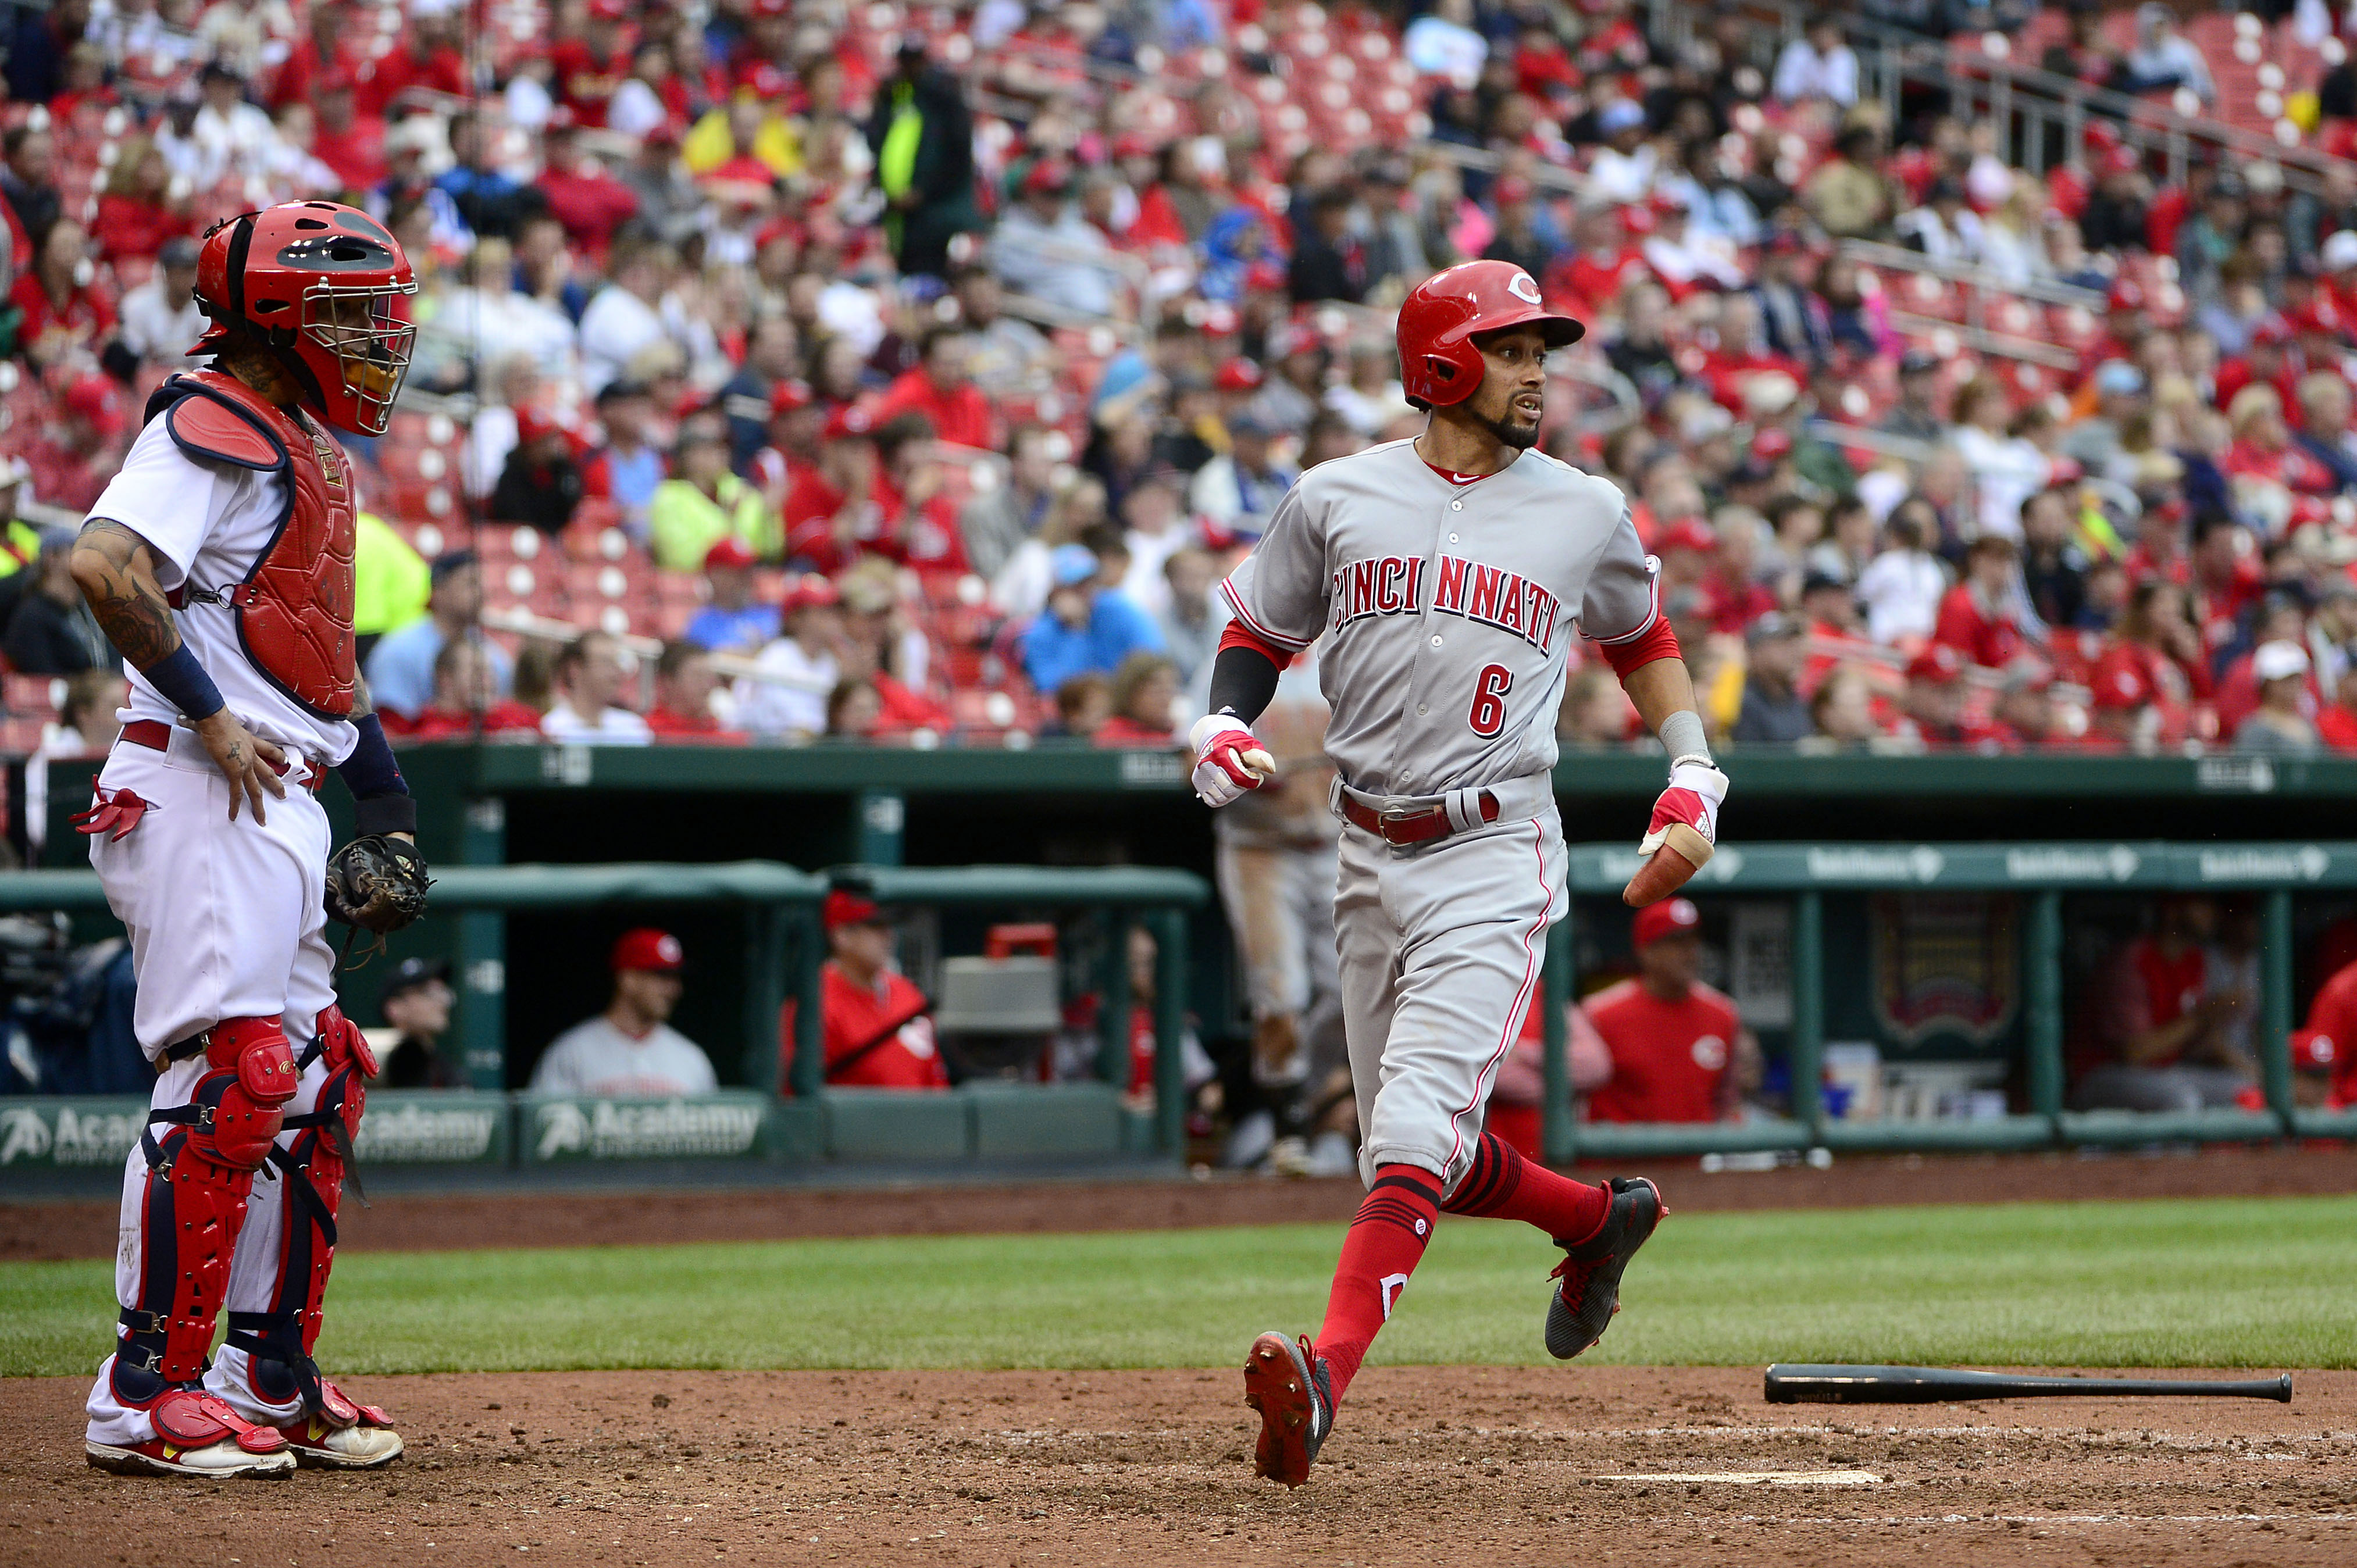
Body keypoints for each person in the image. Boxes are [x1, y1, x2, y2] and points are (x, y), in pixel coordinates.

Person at [1199, 260, 1724, 1487]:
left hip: (1494, 847)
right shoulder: (1335, 495)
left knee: (1407, 1139)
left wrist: (1691, 765)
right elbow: (1256, 632)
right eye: (1512, 349)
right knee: (1418, 1141)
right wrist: (1224, 721)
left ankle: (1323, 1373)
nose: (1538, 372)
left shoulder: (1582, 506)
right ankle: (1601, 1220)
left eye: (1541, 351)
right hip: (1362, 843)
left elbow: (1638, 633)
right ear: (1441, 362)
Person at [71, 201, 420, 1478]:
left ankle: (263, 1375)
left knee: (317, 1072)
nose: (383, 335)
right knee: (233, 1075)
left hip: (278, 788)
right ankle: (143, 1392)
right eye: (355, 313)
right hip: (198, 782)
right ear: (283, 314)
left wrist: (381, 805)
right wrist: (213, 719)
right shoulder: (209, 419)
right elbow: (103, 565)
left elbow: (315, 650)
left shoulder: (305, 443)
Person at [1582, 897, 1757, 1123]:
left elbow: (1728, 1100)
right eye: (1675, 942)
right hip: (1623, 1157)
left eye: (1692, 941)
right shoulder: (1600, 1014)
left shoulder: (1723, 1013)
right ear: (1646, 951)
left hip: (1696, 1155)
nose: (1689, 953)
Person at [2076, 895, 2255, 1112]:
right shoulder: (2133, 960)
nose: (2213, 913)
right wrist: (2202, 1016)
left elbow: (2198, 1046)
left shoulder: (2194, 960)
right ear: (2172, 911)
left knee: (2245, 1091)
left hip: (2166, 1073)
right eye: (2201, 904)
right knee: (2181, 1100)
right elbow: (2135, 1053)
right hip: (2104, 1075)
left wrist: (2255, 1071)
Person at [785, 884, 948, 1090]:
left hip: (922, 1118)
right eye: (876, 926)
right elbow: (799, 1101)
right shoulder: (815, 1004)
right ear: (841, 935)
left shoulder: (907, 992)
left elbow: (936, 1082)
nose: (889, 935)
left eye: (890, 925)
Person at [530, 928, 718, 1097]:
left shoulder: (691, 1058)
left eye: (676, 978)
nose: (674, 990)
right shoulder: (572, 1053)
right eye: (662, 976)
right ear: (628, 979)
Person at [867, 37, 982, 279]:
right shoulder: (893, 94)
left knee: (930, 273)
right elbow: (879, 139)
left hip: (936, 212)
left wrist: (923, 192)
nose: (911, 68)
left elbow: (957, 156)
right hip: (896, 210)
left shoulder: (944, 96)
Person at [362, 551, 512, 723]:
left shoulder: (493, 656)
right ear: (439, 590)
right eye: (471, 584)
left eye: (483, 585)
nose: (482, 593)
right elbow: (393, 730)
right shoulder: (398, 650)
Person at [1023, 541, 1166, 694]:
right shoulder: (1039, 633)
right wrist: (1075, 630)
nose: (1086, 591)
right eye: (1076, 584)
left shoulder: (1116, 608)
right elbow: (1057, 690)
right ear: (1056, 589)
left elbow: (1155, 657)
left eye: (1090, 582)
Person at [736, 575, 843, 737]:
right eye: (821, 612)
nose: (831, 619)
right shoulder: (778, 655)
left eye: (832, 612)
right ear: (796, 619)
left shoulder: (831, 661)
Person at [3, 528, 108, 673]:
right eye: (75, 549)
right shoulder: (33, 614)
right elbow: (41, 675)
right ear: (52, 557)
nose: (85, 556)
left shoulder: (86, 609)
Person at [540, 631, 651, 745]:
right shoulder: (552, 729)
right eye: (605, 662)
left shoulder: (633, 728)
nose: (616, 672)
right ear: (575, 669)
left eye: (617, 663)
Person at [376, 956, 462, 1091]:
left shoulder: (448, 1071)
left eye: (443, 991)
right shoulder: (375, 1061)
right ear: (394, 1007)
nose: (442, 1001)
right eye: (428, 993)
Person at [682, 537, 780, 653]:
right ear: (714, 575)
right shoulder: (701, 623)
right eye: (736, 572)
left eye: (748, 571)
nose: (746, 579)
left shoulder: (769, 613)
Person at [1730, 612, 1812, 744]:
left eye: (1795, 644)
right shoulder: (1739, 702)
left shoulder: (1796, 700)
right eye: (1783, 645)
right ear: (1755, 653)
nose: (1794, 652)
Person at [2235, 640, 2320, 754]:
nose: (2293, 684)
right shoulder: (2255, 730)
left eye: (2297, 677)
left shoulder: (2309, 726)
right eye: (2285, 679)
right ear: (2267, 683)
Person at [644, 640, 741, 741]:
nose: (706, 686)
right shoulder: (647, 732)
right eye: (697, 676)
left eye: (709, 677)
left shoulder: (723, 732)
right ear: (668, 681)